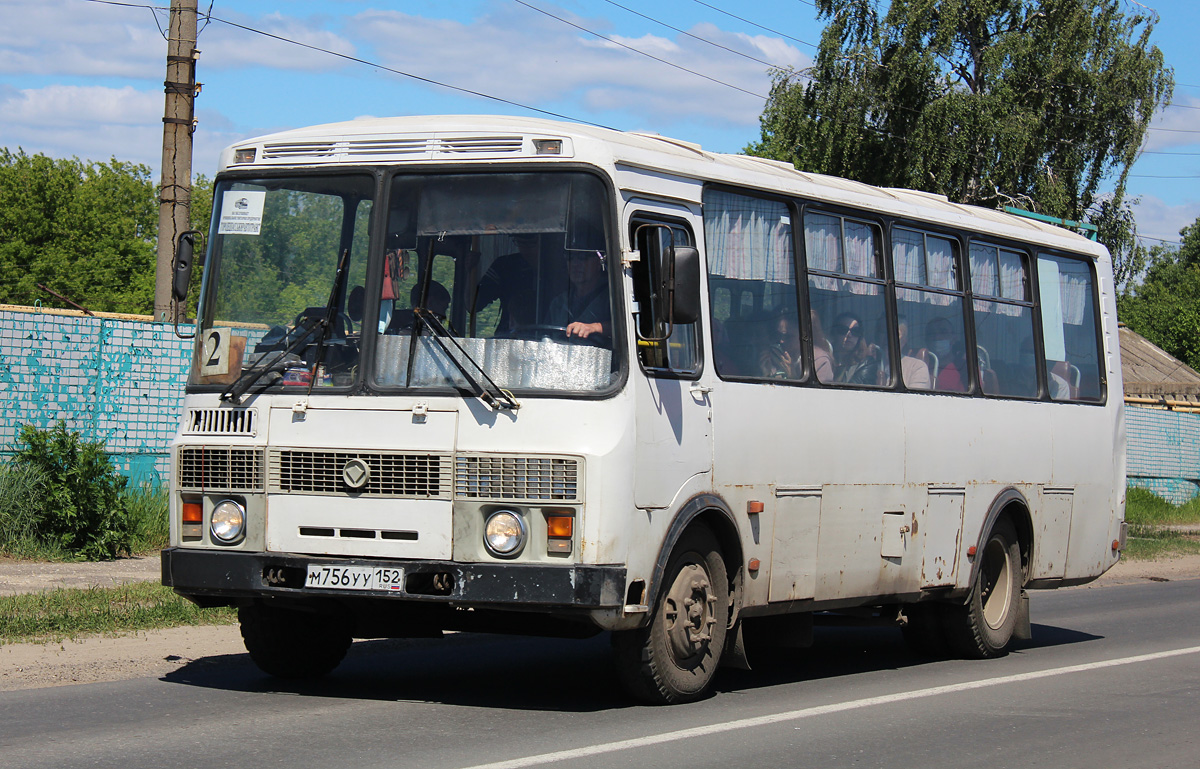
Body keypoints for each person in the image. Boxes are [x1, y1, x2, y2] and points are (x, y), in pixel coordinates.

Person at [474, 233, 545, 334]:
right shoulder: (505, 265)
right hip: (507, 337)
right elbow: (473, 305)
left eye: (531, 243)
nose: (525, 249)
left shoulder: (563, 268)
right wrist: (470, 270)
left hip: (551, 338)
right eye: (520, 243)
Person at [547, 250, 611, 344]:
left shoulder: (612, 298)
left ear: (599, 262)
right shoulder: (558, 303)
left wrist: (595, 327)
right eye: (570, 258)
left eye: (583, 257)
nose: (575, 264)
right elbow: (544, 335)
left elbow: (625, 328)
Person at [832, 312, 879, 385]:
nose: (849, 335)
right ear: (834, 333)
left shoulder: (866, 363)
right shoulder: (825, 359)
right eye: (843, 330)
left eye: (855, 331)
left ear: (860, 336)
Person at [925, 316, 967, 392]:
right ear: (926, 340)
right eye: (931, 333)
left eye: (943, 332)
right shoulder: (920, 366)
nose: (937, 337)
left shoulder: (964, 367)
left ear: (953, 339)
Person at [759, 312, 803, 379]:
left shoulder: (816, 362)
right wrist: (766, 372)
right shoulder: (774, 358)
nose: (781, 341)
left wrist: (792, 376)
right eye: (779, 335)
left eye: (788, 336)